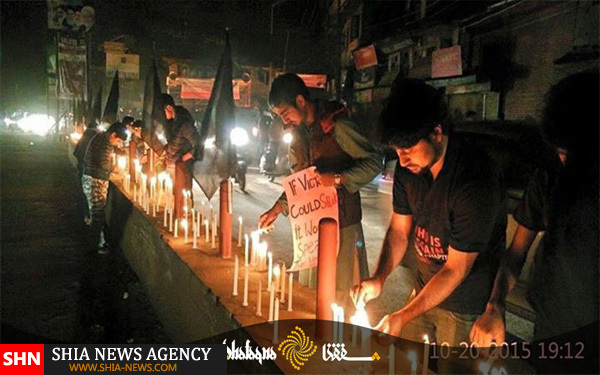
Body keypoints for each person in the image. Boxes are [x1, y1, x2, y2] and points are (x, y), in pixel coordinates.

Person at [351, 79, 506, 373]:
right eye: (397, 150)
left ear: (436, 133)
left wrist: (402, 315)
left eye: (408, 148)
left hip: (465, 303)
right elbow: (399, 231)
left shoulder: (474, 180)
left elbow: (455, 269)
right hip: (424, 289)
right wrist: (380, 276)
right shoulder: (409, 171)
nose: (402, 158)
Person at [258, 73, 382, 293]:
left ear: (300, 101)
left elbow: (374, 163)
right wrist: (277, 209)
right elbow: (301, 182)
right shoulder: (297, 135)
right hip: (310, 227)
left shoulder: (337, 126)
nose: (285, 121)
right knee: (313, 294)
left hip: (343, 223)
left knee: (341, 293)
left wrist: (338, 179)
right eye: (280, 116)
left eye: (286, 113)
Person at [528, 72, 598, 374]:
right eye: (558, 152)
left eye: (568, 153)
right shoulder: (551, 181)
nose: (561, 161)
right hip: (552, 336)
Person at [82, 122, 127, 253]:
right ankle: (95, 246)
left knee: (97, 213)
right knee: (97, 214)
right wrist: (116, 169)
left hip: (93, 178)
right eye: (118, 140)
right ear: (113, 134)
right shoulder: (104, 143)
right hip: (95, 180)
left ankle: (99, 242)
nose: (117, 144)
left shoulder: (102, 139)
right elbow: (103, 163)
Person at [161, 93, 200, 219]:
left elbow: (198, 145)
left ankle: (185, 221)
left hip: (182, 168)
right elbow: (174, 143)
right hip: (173, 166)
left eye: (162, 111)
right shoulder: (173, 122)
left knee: (184, 194)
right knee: (176, 195)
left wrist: (182, 160)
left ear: (169, 108)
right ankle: (178, 218)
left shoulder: (184, 123)